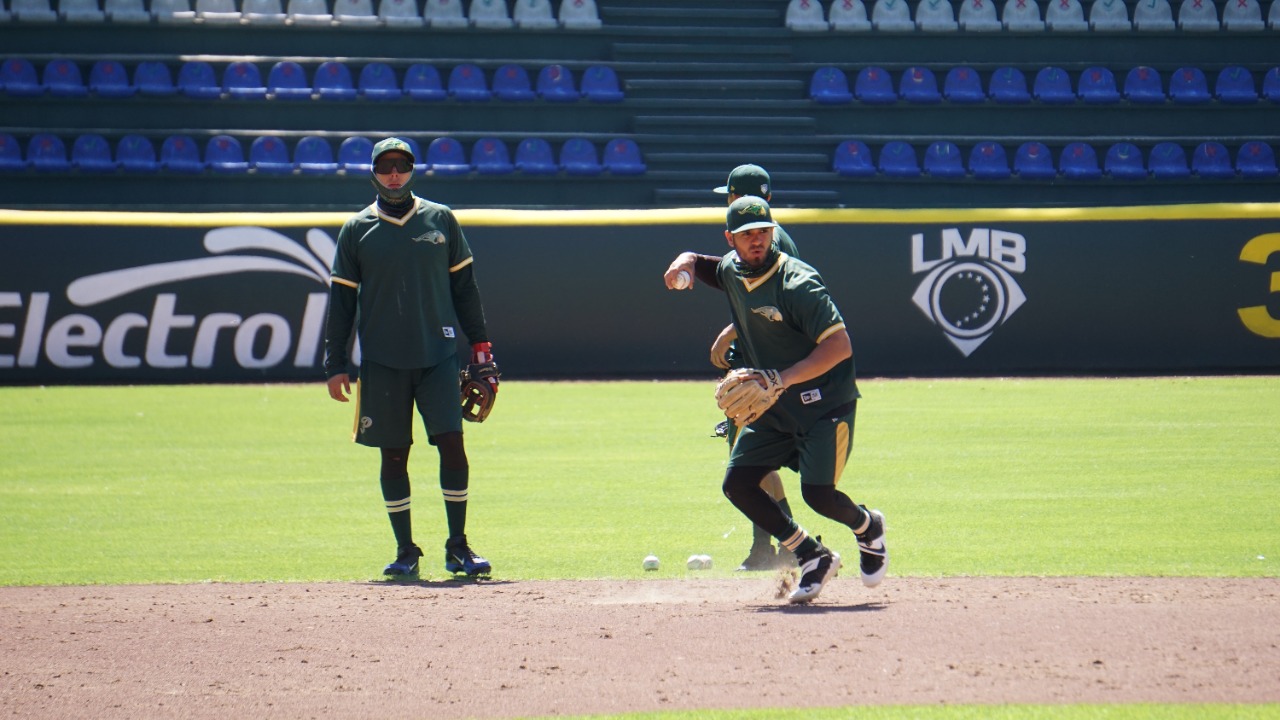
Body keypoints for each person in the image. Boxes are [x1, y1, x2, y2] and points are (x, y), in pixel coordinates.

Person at [663, 195, 887, 604]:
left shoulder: (798, 283)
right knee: (739, 483)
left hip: (825, 405)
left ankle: (867, 526)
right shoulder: (732, 270)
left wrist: (778, 379)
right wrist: (682, 264)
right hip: (775, 405)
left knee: (818, 495)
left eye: (764, 232)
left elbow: (839, 346)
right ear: (730, 238)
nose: (757, 241)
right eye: (747, 234)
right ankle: (811, 554)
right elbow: (699, 261)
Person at [323, 137, 497, 579]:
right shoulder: (356, 228)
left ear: (413, 169)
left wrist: (480, 343)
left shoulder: (440, 219)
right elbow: (341, 303)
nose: (394, 174)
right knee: (394, 454)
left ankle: (457, 546)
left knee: (452, 445)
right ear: (373, 173)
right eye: (385, 167)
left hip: (437, 354)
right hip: (381, 360)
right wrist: (334, 363)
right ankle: (405, 550)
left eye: (401, 165)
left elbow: (466, 289)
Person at [711, 164, 798, 572]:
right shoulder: (769, 238)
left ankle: (778, 545)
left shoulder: (770, 242)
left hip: (763, 369)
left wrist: (729, 334)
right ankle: (777, 545)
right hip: (763, 365)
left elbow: (773, 305)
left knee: (748, 462)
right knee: (752, 463)